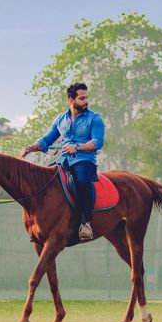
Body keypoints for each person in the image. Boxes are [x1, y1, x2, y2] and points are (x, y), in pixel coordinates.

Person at [21, 82, 105, 241]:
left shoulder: (95, 118)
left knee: (82, 180)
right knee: (43, 180)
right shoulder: (61, 119)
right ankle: (42, 222)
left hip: (84, 160)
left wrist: (77, 147)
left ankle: (85, 222)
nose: (86, 101)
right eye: (82, 98)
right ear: (71, 100)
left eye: (87, 97)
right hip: (62, 160)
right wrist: (31, 147)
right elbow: (47, 139)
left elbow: (98, 142)